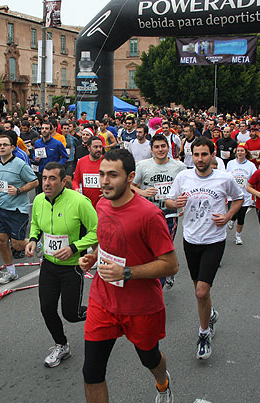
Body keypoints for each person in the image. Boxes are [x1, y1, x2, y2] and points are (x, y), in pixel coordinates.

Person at [79, 149, 178, 403]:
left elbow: (170, 264)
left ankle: (163, 382)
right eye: (101, 174)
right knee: (91, 371)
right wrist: (94, 256)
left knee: (150, 358)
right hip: (104, 300)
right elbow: (108, 241)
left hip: (141, 306)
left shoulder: (149, 214)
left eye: (113, 175)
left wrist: (127, 272)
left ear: (131, 177)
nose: (104, 181)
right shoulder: (101, 204)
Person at [166, 137, 243, 360]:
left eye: (204, 154)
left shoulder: (224, 178)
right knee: (200, 291)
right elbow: (170, 201)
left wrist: (228, 215)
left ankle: (203, 333)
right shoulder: (183, 176)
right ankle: (210, 314)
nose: (200, 159)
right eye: (196, 155)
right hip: (190, 240)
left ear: (212, 155)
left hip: (214, 240)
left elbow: (238, 199)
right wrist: (176, 203)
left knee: (201, 291)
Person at [25, 162, 98, 368]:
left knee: (71, 314)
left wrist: (74, 247)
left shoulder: (79, 202)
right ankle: (61, 345)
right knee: (47, 308)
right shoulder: (39, 200)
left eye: (52, 178)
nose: (46, 183)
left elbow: (97, 230)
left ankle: (101, 311)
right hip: (49, 264)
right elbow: (36, 224)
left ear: (64, 181)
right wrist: (32, 239)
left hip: (72, 267)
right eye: (44, 178)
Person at [0, 134, 38, 284]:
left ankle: (36, 243)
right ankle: (11, 271)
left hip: (17, 209)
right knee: (1, 241)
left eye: (5, 144)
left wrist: (19, 190)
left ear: (12, 147)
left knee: (17, 244)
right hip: (0, 208)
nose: (2, 147)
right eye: (0, 145)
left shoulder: (20, 164)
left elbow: (35, 182)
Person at [132, 134, 185, 288]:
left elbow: (185, 189)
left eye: (163, 146)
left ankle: (159, 285)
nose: (160, 150)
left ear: (168, 148)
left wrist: (182, 203)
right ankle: (165, 270)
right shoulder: (142, 166)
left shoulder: (179, 167)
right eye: (157, 147)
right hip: (147, 214)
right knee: (149, 249)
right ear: (151, 149)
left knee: (163, 249)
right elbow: (131, 185)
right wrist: (142, 192)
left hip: (169, 214)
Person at [226, 144, 257, 245]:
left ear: (246, 152)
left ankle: (238, 236)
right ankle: (232, 219)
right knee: (233, 212)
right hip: (232, 194)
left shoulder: (251, 165)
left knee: (241, 216)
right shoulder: (231, 163)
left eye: (242, 151)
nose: (239, 152)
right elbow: (226, 177)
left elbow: (255, 178)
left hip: (245, 195)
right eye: (238, 151)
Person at [72, 136, 104, 207]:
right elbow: (75, 180)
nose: (99, 149)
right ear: (89, 148)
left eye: (100, 147)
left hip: (103, 203)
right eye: (95, 147)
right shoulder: (81, 162)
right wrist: (76, 188)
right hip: (86, 203)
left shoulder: (106, 161)